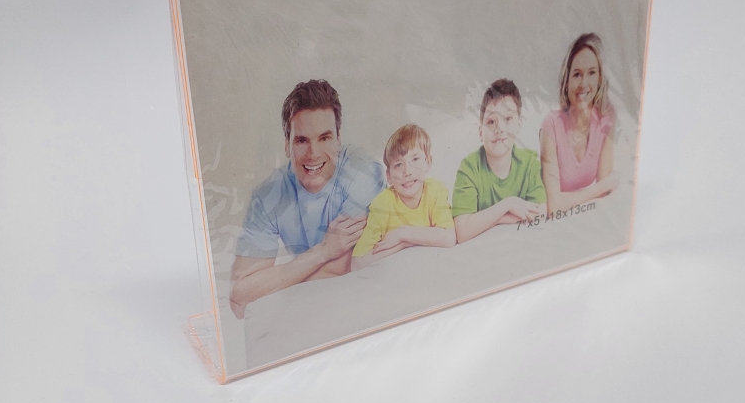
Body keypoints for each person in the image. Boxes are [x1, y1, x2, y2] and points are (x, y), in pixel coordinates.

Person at [230, 80, 385, 317]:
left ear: (338, 140)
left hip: (367, 299)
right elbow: (239, 300)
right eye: (302, 140)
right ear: (286, 145)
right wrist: (324, 251)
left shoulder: (362, 171)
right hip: (310, 312)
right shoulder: (267, 197)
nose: (313, 154)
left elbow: (348, 268)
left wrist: (274, 284)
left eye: (324, 138)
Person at [451, 79, 546, 242]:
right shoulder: (469, 168)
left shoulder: (529, 163)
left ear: (519, 124)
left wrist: (494, 219)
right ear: (480, 132)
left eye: (507, 118)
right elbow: (462, 231)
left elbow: (541, 214)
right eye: (491, 121)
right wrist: (508, 204)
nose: (499, 128)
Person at [351, 124, 456, 269]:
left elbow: (449, 237)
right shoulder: (382, 204)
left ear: (428, 162)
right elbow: (357, 263)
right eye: (398, 165)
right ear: (389, 176)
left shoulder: (435, 190)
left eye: (415, 159)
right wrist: (402, 245)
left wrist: (402, 234)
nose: (407, 172)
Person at [539, 33, 618, 215]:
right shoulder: (551, 124)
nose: (584, 83)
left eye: (591, 73)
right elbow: (554, 206)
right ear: (567, 82)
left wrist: (601, 187)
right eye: (577, 75)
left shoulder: (606, 118)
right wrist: (601, 187)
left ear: (599, 78)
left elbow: (604, 192)